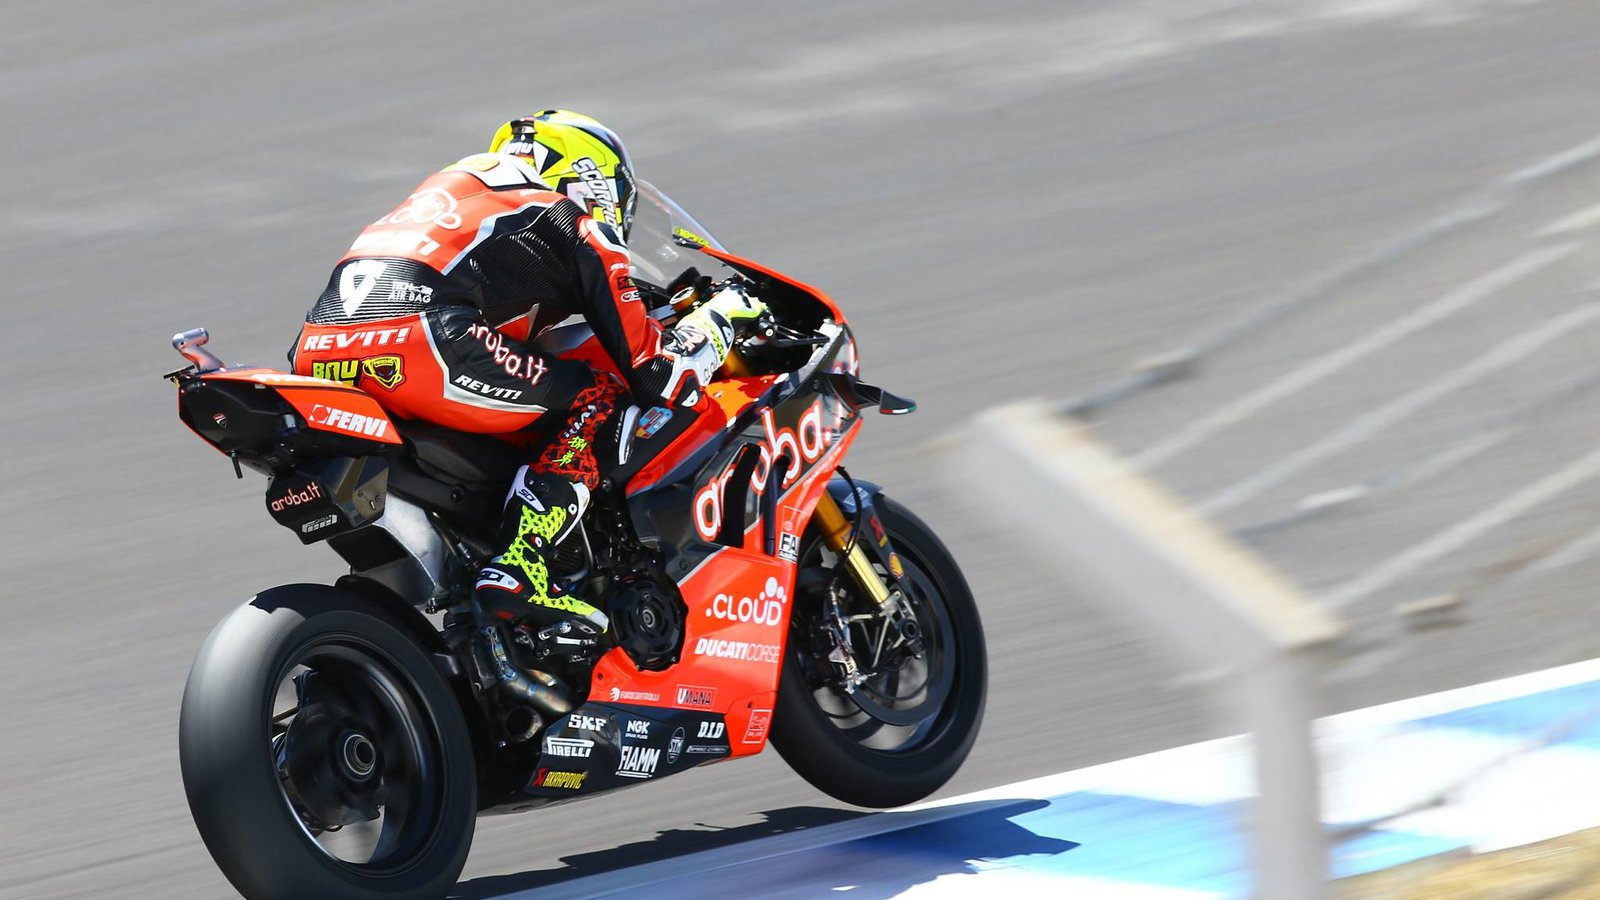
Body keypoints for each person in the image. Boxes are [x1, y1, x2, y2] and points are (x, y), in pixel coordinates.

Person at [291, 109, 764, 656]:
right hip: (426, 340)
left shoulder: (460, 193)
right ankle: (522, 567)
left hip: (316, 354)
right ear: (593, 180)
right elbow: (656, 375)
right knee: (599, 394)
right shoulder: (571, 217)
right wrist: (723, 318)